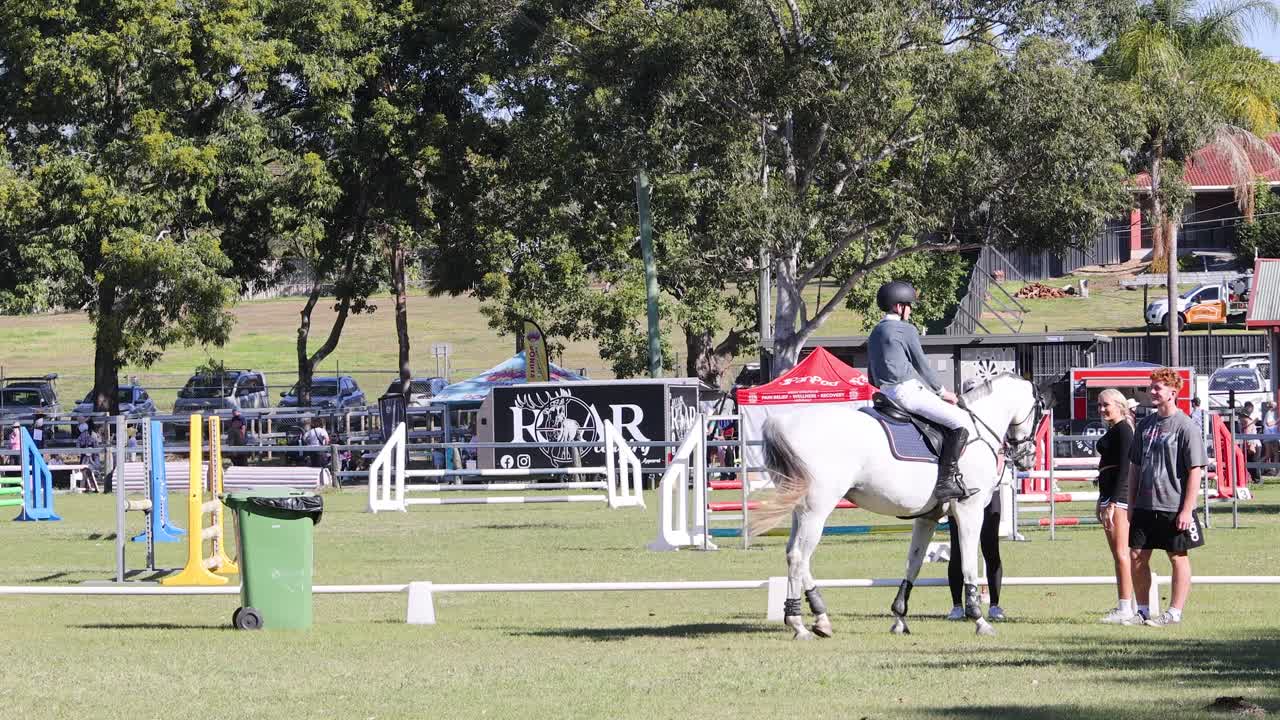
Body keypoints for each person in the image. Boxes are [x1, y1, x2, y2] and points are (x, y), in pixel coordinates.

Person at [867, 281, 972, 502]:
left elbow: (871, 372)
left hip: (885, 394)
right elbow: (922, 364)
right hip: (907, 392)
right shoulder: (905, 329)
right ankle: (945, 482)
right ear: (898, 307)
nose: (911, 310)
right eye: (909, 306)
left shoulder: (875, 332)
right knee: (960, 421)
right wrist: (943, 392)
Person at [1126, 367, 1207, 627]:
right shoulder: (1145, 425)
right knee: (1137, 555)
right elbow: (1134, 466)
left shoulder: (1186, 426)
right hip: (1145, 504)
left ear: (1173, 392)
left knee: (1177, 556)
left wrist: (1187, 509)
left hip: (1174, 503)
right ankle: (1142, 611)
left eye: (1157, 388)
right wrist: (1131, 502)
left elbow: (1195, 470)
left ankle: (1174, 613)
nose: (1152, 392)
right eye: (1151, 387)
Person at [1095, 389, 1136, 623]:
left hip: (1119, 498)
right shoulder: (1114, 429)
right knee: (1117, 554)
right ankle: (1125, 604)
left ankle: (1126, 607)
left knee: (1121, 553)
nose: (1101, 409)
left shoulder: (1124, 429)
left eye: (1106, 405)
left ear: (1119, 405)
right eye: (1099, 405)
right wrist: (1101, 499)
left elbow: (1125, 467)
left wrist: (1112, 502)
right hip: (1109, 495)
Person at [945, 491, 1004, 621]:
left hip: (989, 492)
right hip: (961, 494)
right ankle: (957, 606)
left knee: (991, 548)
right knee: (957, 550)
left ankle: (994, 605)